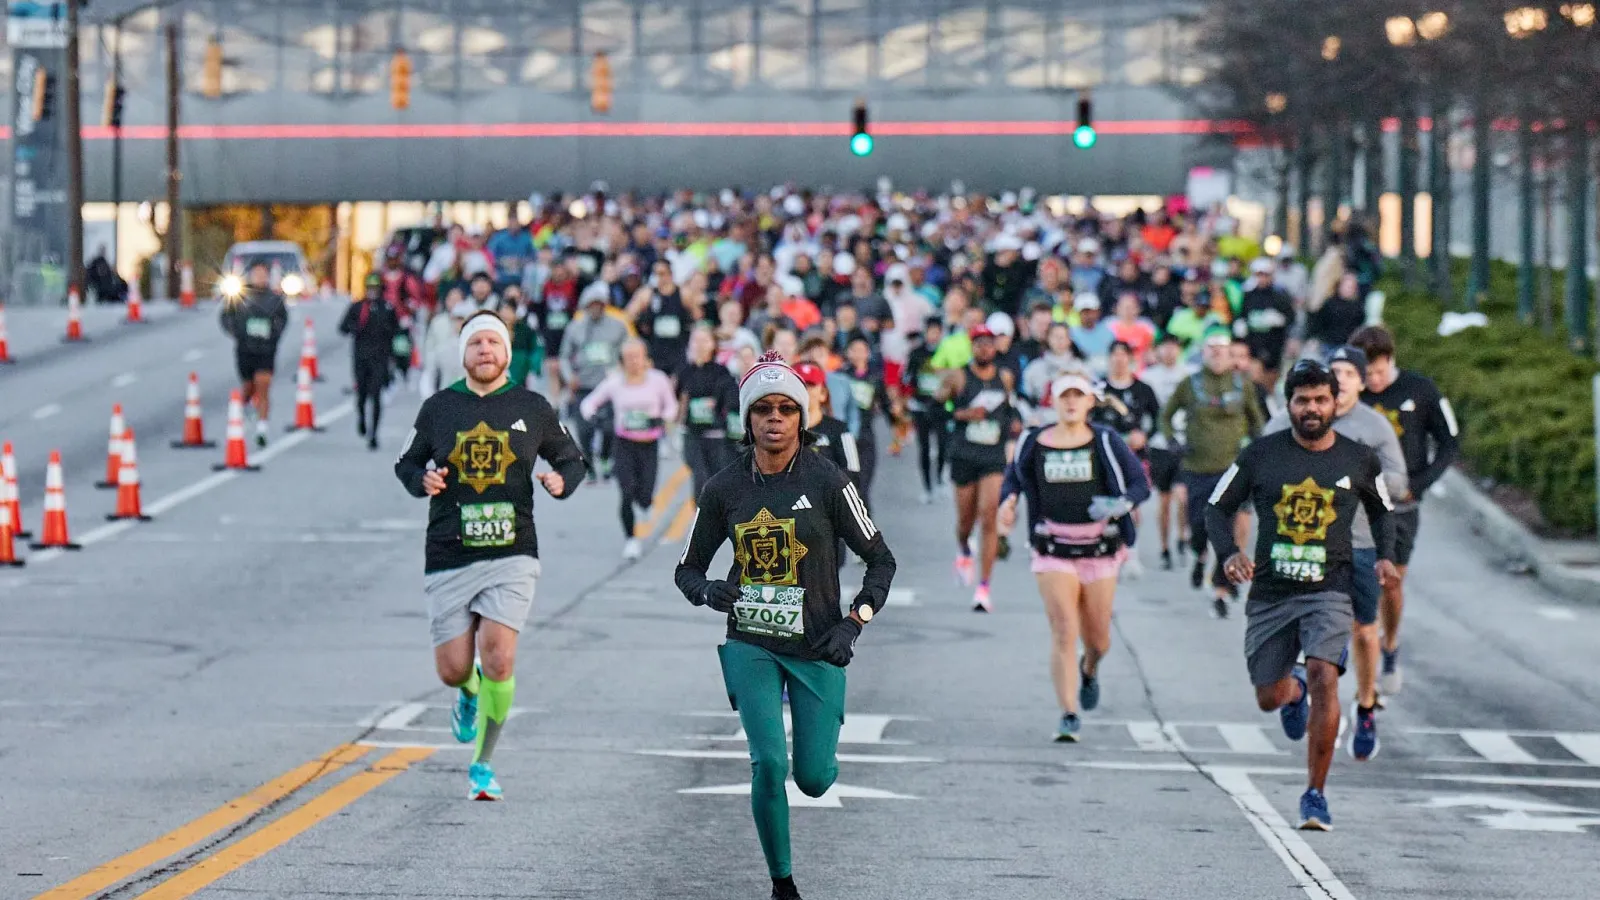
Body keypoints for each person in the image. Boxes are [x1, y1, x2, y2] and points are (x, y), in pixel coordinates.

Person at [674, 351, 896, 900]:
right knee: (769, 762)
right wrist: (707, 591)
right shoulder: (723, 487)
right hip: (751, 641)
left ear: (801, 417)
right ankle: (783, 883)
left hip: (817, 644)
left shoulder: (828, 480)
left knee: (814, 779)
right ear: (747, 419)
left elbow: (881, 560)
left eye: (786, 408)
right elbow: (687, 568)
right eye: (763, 409)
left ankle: (821, 756)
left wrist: (854, 622)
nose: (774, 418)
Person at [394, 309, 588, 801]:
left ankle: (482, 764)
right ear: (463, 354)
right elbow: (406, 462)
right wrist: (421, 479)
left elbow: (571, 459)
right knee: (453, 669)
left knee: (500, 657)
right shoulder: (439, 408)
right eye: (476, 343)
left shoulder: (532, 407)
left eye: (493, 343)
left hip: (512, 550)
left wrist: (561, 481)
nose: (485, 350)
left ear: (506, 352)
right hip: (450, 550)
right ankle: (467, 689)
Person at [1206, 359, 1397, 831]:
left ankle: (1316, 794)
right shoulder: (1260, 454)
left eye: (1320, 400)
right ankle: (1292, 693)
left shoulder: (1359, 459)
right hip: (1272, 592)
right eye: (1302, 400)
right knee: (1268, 698)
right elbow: (1216, 507)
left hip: (1329, 589)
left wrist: (1386, 556)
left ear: (1335, 402)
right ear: (1288, 404)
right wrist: (1228, 553)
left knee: (1324, 674)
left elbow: (1382, 510)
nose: (1312, 408)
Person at [1261, 346, 1407, 761]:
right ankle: (1297, 687)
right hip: (1300, 541)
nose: (1340, 379)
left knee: (1363, 629)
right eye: (1334, 371)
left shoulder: (1373, 426)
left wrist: (1357, 481)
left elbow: (1399, 482)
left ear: (1361, 383)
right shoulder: (1287, 419)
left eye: (1348, 373)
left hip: (1358, 541)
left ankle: (1365, 706)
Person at [1000, 370, 1150, 741]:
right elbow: (1014, 477)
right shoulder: (1034, 441)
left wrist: (1121, 504)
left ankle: (1090, 668)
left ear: (1089, 402)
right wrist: (1009, 502)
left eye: (1077, 396)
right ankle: (1068, 712)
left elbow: (1139, 484)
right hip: (1053, 547)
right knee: (1064, 629)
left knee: (1099, 640)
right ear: (1053, 401)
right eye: (1064, 396)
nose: (1070, 402)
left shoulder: (1105, 440)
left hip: (1099, 549)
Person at [1349, 325, 1460, 697]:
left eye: (1379, 372)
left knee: (1391, 582)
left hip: (1401, 504)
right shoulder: (1348, 395)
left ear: (1391, 360)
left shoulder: (1420, 389)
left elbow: (1449, 442)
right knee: (1355, 583)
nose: (1373, 381)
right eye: (1366, 374)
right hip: (1354, 504)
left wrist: (1421, 482)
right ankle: (1361, 661)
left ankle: (1390, 643)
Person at [1160, 332, 1266, 618]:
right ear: (1203, 352)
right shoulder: (1190, 384)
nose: (1217, 354)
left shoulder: (1242, 385)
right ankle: (1199, 554)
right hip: (1197, 467)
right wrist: (1171, 440)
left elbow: (1257, 421)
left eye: (1222, 349)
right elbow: (1165, 415)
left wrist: (1260, 453)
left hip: (1231, 469)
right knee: (1198, 525)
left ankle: (1221, 587)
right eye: (1211, 349)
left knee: (1226, 528)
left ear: (1231, 354)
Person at [938, 325, 1017, 612]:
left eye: (989, 343)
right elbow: (936, 408)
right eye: (979, 343)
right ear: (972, 347)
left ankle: (984, 587)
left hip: (992, 455)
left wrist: (1014, 425)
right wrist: (961, 414)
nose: (984, 348)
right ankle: (963, 547)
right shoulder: (958, 376)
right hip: (964, 455)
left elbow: (1010, 410)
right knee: (965, 521)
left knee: (989, 514)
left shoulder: (1004, 377)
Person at [580, 339, 679, 560]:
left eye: (638, 357)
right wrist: (594, 417)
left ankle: (645, 504)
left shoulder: (658, 380)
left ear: (646, 359)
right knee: (626, 492)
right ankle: (631, 539)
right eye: (628, 358)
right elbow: (588, 403)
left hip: (649, 444)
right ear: (622, 361)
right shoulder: (614, 383)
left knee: (645, 494)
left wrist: (661, 418)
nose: (634, 362)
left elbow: (672, 406)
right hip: (624, 444)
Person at [561, 283, 632, 482]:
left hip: (609, 386)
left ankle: (607, 457)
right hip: (584, 385)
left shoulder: (617, 326)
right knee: (585, 429)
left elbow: (627, 351)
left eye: (598, 304)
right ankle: (589, 464)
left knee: (609, 427)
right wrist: (569, 377)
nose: (595, 308)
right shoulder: (575, 328)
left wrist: (623, 373)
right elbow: (564, 356)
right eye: (591, 304)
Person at [219, 261, 290, 448]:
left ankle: (262, 429)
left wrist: (274, 334)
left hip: (266, 350)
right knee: (249, 387)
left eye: (263, 274)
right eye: (256, 273)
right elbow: (225, 316)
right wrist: (236, 332)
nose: (260, 277)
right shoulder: (240, 297)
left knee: (263, 385)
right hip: (245, 349)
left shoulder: (275, 299)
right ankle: (244, 410)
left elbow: (283, 320)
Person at [1141, 334, 1196, 569]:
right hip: (1159, 444)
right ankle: (1165, 547)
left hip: (1184, 442)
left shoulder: (1190, 374)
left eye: (1174, 347)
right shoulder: (1148, 377)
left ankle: (1183, 535)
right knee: (1163, 501)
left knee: (1183, 495)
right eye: (1165, 347)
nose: (1169, 352)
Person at [339, 273, 401, 450]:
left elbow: (396, 332)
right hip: (361, 357)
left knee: (376, 395)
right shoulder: (358, 307)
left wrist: (395, 357)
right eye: (370, 289)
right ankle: (361, 418)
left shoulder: (387, 308)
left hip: (380, 358)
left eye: (375, 289)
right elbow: (342, 328)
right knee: (361, 394)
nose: (372, 292)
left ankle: (374, 433)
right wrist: (355, 328)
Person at [679, 324, 741, 500]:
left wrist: (717, 403)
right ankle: (700, 515)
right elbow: (675, 399)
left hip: (716, 435)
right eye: (696, 340)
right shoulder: (684, 371)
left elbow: (731, 398)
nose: (699, 345)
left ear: (713, 344)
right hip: (692, 434)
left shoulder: (721, 372)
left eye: (704, 341)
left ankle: (716, 515)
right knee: (699, 479)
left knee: (716, 480)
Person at [839, 334, 892, 508]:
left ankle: (865, 521)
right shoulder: (841, 376)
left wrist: (896, 425)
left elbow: (886, 404)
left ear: (868, 353)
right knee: (847, 486)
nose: (859, 354)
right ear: (848, 352)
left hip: (865, 436)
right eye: (855, 350)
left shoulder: (875, 377)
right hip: (844, 436)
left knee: (863, 486)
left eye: (862, 350)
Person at [903, 317, 950, 503]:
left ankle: (939, 479)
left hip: (941, 407)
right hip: (920, 407)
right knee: (924, 447)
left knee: (943, 445)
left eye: (937, 331)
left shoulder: (946, 353)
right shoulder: (916, 353)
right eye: (931, 331)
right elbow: (907, 378)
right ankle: (927, 487)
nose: (934, 335)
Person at [795, 361, 861, 483]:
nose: (805, 391)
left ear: (823, 393)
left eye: (810, 385)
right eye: (799, 385)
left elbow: (852, 474)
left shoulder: (840, 431)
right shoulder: (780, 431)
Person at [1236, 258, 1297, 386]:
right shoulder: (1248, 295)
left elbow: (1291, 317)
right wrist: (1241, 325)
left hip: (1273, 345)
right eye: (1259, 275)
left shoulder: (1279, 295)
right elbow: (1242, 314)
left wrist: (1281, 320)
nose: (1262, 279)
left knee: (1270, 379)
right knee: (1255, 377)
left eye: (1265, 275)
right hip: (1254, 344)